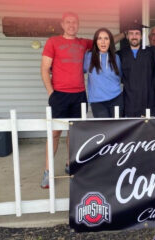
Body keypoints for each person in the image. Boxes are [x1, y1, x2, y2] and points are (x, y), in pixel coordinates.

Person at [40, 12, 92, 189]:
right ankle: (48, 171)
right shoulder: (53, 42)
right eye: (68, 22)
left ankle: (71, 165)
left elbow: (106, 39)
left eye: (75, 22)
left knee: (74, 133)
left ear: (78, 25)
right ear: (62, 24)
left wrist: (124, 34)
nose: (71, 25)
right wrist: (51, 93)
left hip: (79, 95)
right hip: (59, 95)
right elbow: (45, 69)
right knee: (54, 133)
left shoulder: (83, 43)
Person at [118, 23, 155, 117]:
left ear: (141, 36)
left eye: (137, 33)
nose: (134, 36)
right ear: (127, 36)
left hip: (148, 99)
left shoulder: (151, 52)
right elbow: (109, 44)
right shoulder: (121, 54)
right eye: (131, 33)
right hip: (129, 100)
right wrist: (122, 34)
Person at [83, 28, 123, 118]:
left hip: (116, 99)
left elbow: (121, 75)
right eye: (100, 38)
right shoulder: (88, 57)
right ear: (96, 42)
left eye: (106, 38)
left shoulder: (116, 58)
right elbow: (78, 70)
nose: (103, 42)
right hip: (97, 101)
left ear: (110, 42)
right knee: (104, 130)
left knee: (117, 129)